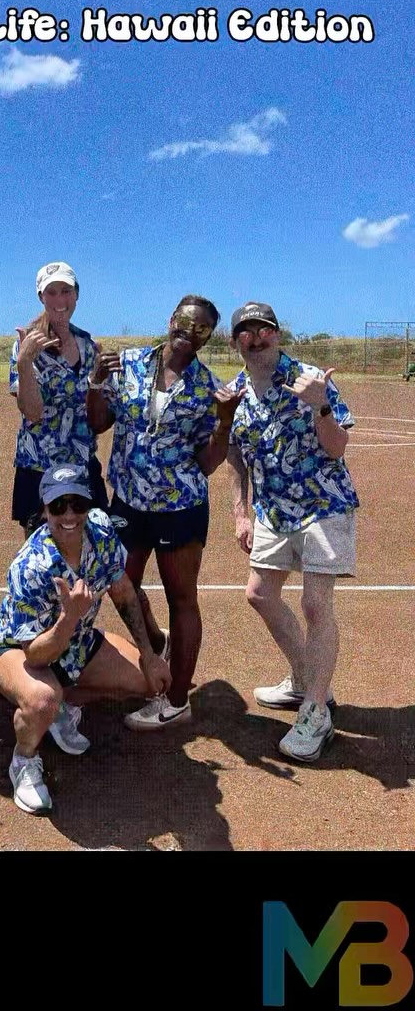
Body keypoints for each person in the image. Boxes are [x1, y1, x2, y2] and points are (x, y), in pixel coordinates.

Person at [87, 295, 244, 729]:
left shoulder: (208, 387)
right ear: (172, 318)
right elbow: (98, 423)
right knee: (122, 584)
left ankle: (176, 700)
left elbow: (208, 462)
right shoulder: (130, 364)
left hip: (180, 506)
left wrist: (223, 421)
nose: (189, 334)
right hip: (128, 500)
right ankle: (156, 641)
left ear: (209, 338)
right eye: (186, 322)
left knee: (182, 597)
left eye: (202, 329)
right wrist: (96, 383)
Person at [0, 465, 171, 814]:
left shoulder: (101, 529)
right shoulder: (30, 565)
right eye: (58, 506)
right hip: (14, 646)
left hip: (75, 641)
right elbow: (35, 655)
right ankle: (24, 759)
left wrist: (149, 653)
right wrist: (69, 617)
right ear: (44, 510)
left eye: (77, 504)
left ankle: (63, 706)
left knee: (148, 681)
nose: (69, 515)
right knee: (41, 700)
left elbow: (123, 591)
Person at [226, 302, 359, 762]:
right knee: (259, 593)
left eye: (264, 330)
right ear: (235, 342)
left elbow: (337, 448)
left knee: (315, 604)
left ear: (278, 335)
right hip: (273, 511)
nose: (256, 338)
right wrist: (240, 511)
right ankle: (305, 679)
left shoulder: (310, 379)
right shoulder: (236, 392)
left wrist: (321, 406)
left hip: (323, 504)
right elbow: (236, 455)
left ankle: (316, 712)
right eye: (246, 332)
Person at [10, 261, 108, 532]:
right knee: (41, 550)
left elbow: (98, 411)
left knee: (92, 544)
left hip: (82, 464)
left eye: (66, 291)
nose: (59, 300)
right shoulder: (27, 344)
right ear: (41, 297)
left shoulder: (89, 346)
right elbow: (32, 412)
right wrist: (24, 363)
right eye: (51, 292)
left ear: (76, 294)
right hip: (39, 468)